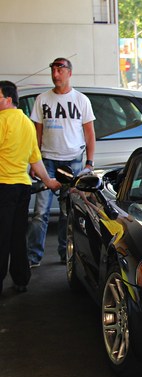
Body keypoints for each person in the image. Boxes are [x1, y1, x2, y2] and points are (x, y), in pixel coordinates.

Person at [27, 57, 96, 268]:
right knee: (40, 213)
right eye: (53, 70)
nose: (56, 74)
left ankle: (64, 253)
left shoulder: (81, 100)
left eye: (60, 70)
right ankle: (33, 257)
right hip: (47, 160)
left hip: (73, 162)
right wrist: (33, 162)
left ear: (69, 73)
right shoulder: (42, 99)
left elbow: (90, 134)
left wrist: (89, 163)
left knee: (69, 211)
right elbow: (36, 135)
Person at [0, 81, 61, 294]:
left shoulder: (1, 121)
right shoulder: (26, 122)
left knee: (2, 237)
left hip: (3, 187)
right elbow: (35, 158)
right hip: (22, 188)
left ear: (8, 98)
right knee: (17, 236)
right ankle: (21, 280)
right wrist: (49, 181)